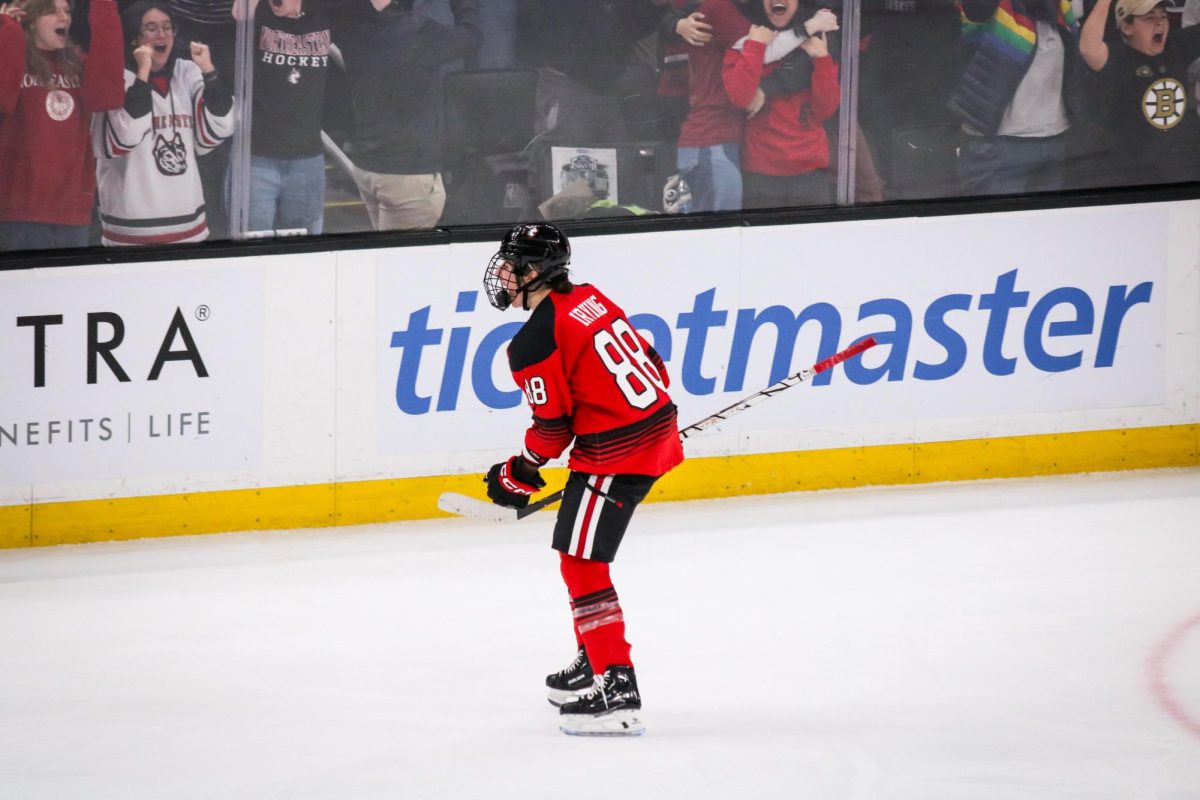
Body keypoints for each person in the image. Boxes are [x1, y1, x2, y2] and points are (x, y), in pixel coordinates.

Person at [480, 222, 684, 737]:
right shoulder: (591, 298)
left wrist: (518, 473)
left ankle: (618, 690)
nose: (503, 274)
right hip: (652, 430)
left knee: (581, 563)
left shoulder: (532, 343)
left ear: (535, 271)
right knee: (578, 550)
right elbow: (653, 365)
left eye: (512, 265)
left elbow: (553, 428)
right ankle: (594, 660)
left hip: (615, 455)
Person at [92, 1, 234, 245]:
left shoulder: (186, 72)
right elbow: (124, 136)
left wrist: (210, 72)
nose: (162, 34)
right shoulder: (116, 79)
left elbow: (222, 124)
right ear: (134, 38)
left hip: (190, 226)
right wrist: (143, 72)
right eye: (151, 28)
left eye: (168, 27)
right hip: (130, 232)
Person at [332, 0, 481, 232]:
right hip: (407, 171)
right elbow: (472, 36)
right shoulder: (418, 32)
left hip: (369, 165)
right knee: (403, 264)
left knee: (387, 259)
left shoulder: (348, 25)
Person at [0, 0, 124, 252]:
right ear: (31, 19)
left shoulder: (77, 63)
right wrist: (8, 33)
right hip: (18, 211)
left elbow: (108, 96)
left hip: (72, 211)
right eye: (52, 11)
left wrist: (104, 7)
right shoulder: (13, 54)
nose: (64, 18)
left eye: (67, 11)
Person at [948, 0, 1086, 196]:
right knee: (996, 225)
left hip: (1053, 140)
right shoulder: (995, 7)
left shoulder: (1061, 8)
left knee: (1046, 225)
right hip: (999, 145)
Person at [723, 1, 840, 208]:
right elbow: (740, 98)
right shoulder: (745, 43)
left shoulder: (817, 40)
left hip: (810, 168)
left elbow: (826, 109)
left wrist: (821, 58)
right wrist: (756, 45)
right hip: (761, 170)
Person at [232, 0, 332, 236]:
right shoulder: (256, 15)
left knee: (305, 249)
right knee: (252, 243)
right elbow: (239, 15)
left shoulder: (325, 12)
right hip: (257, 157)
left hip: (307, 158)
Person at [1078, 0, 1200, 186]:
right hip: (1129, 174)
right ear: (1127, 27)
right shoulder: (1116, 57)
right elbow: (1088, 48)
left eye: (1163, 16)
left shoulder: (1176, 46)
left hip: (1177, 170)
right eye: (1149, 18)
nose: (1160, 23)